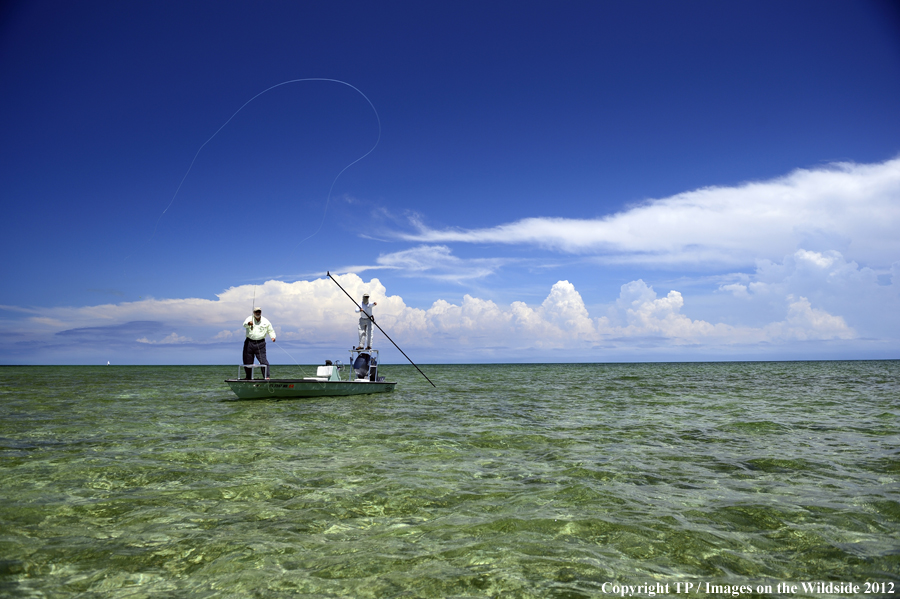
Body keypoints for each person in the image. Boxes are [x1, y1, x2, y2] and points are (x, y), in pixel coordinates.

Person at [242, 307, 276, 379]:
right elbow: (244, 325)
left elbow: (270, 330)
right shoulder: (249, 318)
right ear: (253, 312)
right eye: (256, 312)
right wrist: (248, 323)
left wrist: (273, 337)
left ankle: (266, 377)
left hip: (261, 343)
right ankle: (248, 377)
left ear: (261, 312)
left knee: (263, 360)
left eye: (259, 312)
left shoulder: (265, 321)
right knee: (247, 361)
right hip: (249, 342)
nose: (257, 313)